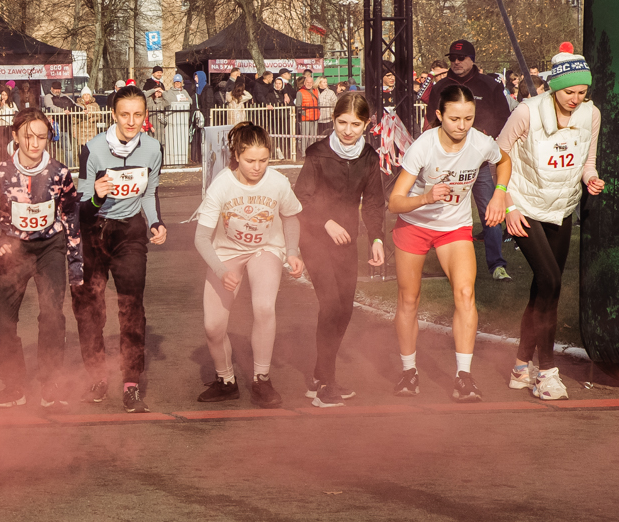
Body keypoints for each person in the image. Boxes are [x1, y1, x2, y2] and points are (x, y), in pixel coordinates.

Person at [388, 83, 511, 402]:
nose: (462, 126)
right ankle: (408, 371)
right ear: (439, 115)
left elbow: (503, 160)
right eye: (455, 119)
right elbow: (395, 202)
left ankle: (464, 377)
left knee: (466, 293)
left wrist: (499, 194)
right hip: (414, 225)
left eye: (468, 118)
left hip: (454, 228)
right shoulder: (423, 147)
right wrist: (426, 197)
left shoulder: (480, 142)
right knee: (409, 299)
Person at [498, 43, 605, 402]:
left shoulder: (591, 115)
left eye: (582, 92)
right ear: (554, 87)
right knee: (551, 280)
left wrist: (591, 178)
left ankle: (519, 367)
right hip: (524, 206)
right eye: (570, 92)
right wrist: (508, 205)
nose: (576, 99)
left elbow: (588, 160)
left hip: (560, 208)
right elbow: (499, 154)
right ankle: (546, 372)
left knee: (544, 290)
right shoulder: (526, 112)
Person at [0, 106, 84, 412]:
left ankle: (50, 384)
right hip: (14, 250)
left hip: (50, 248)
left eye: (41, 136)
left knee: (52, 315)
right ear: (15, 136)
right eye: (28, 136)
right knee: (3, 318)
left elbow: (71, 217)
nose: (35, 143)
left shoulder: (59, 173)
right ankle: (13, 386)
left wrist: (76, 264)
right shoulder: (0, 172)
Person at [193, 121, 303, 407]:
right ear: (236, 156)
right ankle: (226, 380)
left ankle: (261, 379)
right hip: (226, 253)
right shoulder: (221, 186)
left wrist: (292, 251)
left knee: (264, 307)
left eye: (263, 160)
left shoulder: (277, 182)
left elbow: (291, 217)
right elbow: (201, 238)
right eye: (250, 161)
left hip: (264, 249)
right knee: (213, 327)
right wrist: (221, 270)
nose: (257, 167)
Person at [73, 84, 168, 410]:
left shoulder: (153, 149)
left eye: (137, 115)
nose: (131, 121)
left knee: (131, 308)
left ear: (145, 115)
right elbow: (82, 209)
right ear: (113, 114)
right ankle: (97, 377)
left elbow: (149, 193)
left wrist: (155, 223)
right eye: (124, 114)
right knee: (90, 311)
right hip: (94, 234)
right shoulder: (93, 149)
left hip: (129, 234)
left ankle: (131, 384)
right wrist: (97, 196)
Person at [292, 92, 387, 407]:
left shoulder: (369, 157)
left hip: (346, 240)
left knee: (345, 309)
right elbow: (301, 197)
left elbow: (373, 202)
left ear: (367, 125)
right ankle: (326, 384)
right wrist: (326, 222)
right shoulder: (318, 154)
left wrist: (376, 238)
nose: (348, 130)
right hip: (314, 237)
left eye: (355, 124)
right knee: (331, 305)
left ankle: (320, 374)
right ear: (333, 120)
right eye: (342, 122)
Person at [420, 39, 516, 281]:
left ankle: (497, 265)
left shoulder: (489, 85)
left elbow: (504, 118)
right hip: (448, 164)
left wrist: (486, 135)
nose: (456, 62)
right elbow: (431, 119)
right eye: (452, 58)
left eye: (461, 58)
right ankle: (444, 261)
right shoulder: (441, 86)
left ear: (472, 59)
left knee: (490, 212)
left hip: (480, 163)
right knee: (443, 210)